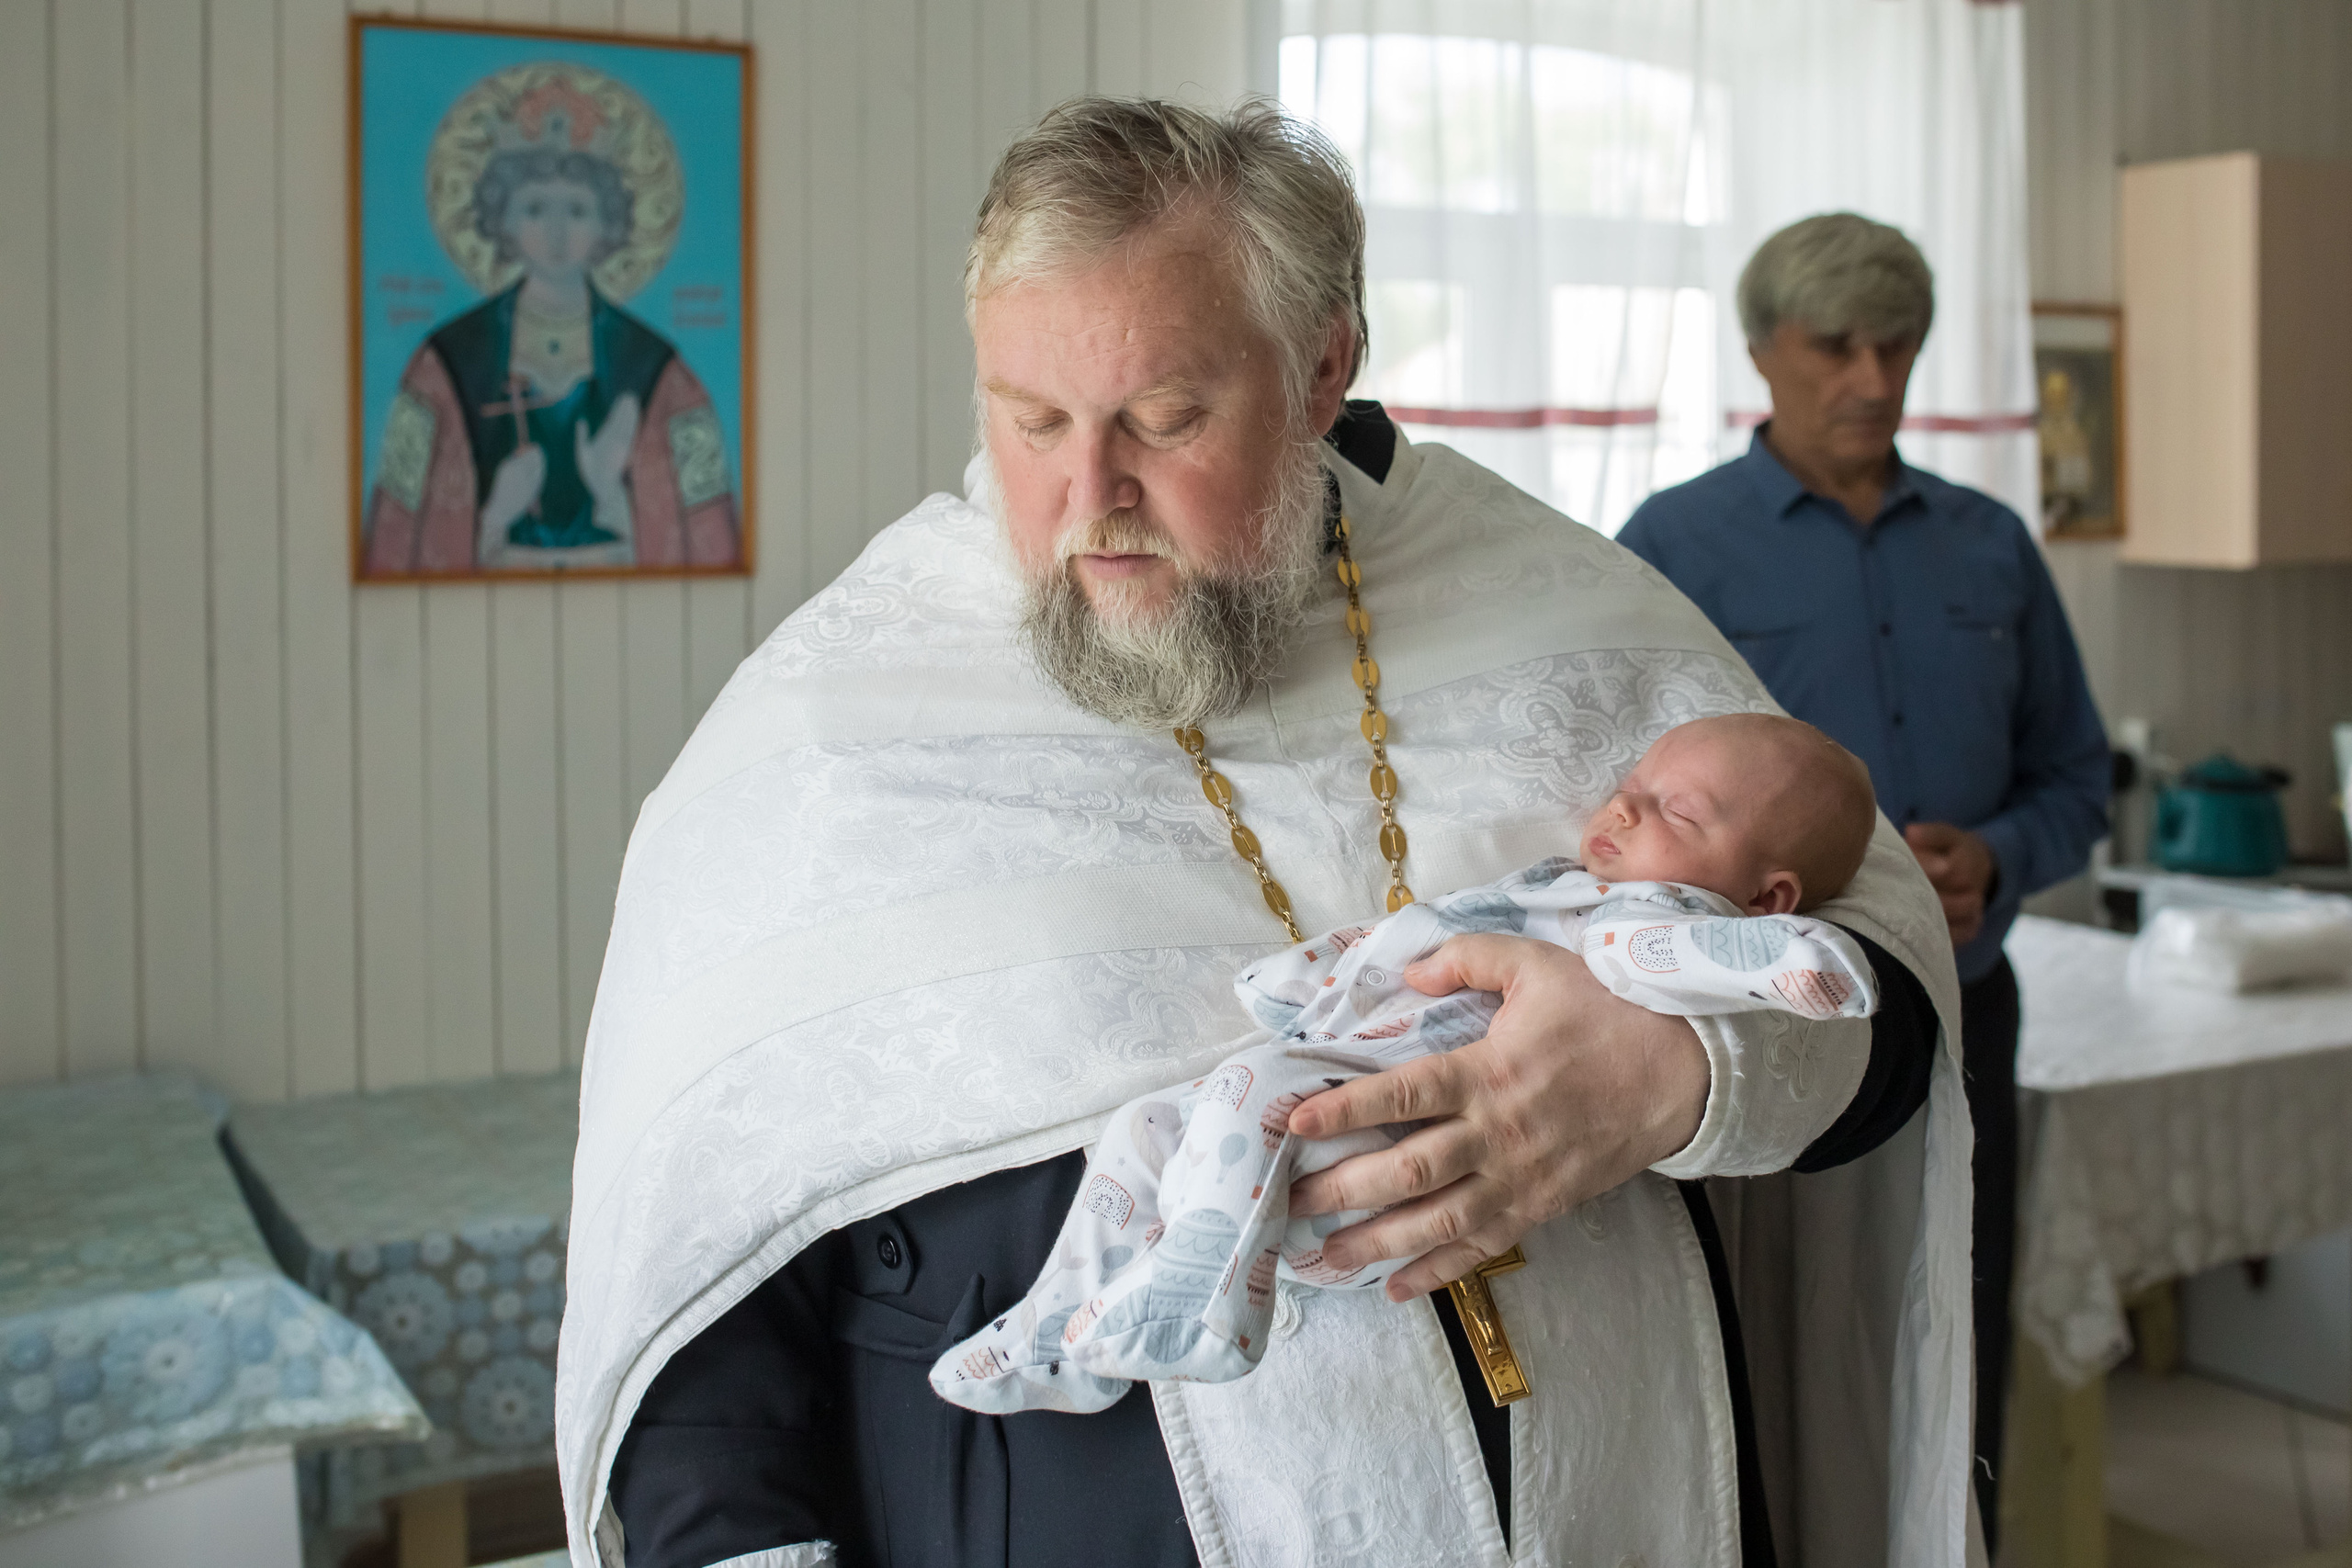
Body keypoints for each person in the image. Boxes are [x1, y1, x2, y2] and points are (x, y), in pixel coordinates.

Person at [558, 104, 1972, 1568]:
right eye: (1031, 418)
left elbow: (1883, 997)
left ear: (1321, 370)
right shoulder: (826, 731)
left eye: (1164, 419)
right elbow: (696, 1276)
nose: (1086, 498)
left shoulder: (1563, 613)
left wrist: (1679, 1069)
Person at [933, 714, 1883, 1414]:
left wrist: (1784, 959)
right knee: (1141, 1130)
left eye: (1673, 807)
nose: (1623, 806)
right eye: (1631, 784)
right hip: (1339, 1110)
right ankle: (1064, 1333)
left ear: (1765, 895)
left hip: (1382, 1145)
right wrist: (1314, 976)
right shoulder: (1565, 888)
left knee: (1245, 1091)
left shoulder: (1656, 917)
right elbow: (1425, 931)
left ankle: (1204, 1296)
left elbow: (1662, 961)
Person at [1617, 211, 2111, 1546]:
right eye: (1836, 345)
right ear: (1764, 353)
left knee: (1948, 1306)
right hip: (1747, 1035)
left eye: (1898, 346)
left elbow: (2079, 774)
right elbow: (1617, 808)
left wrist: (2000, 854)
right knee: (1760, 1345)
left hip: (1960, 1010)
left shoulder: (1994, 545)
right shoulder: (1673, 545)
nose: (1874, 378)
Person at [361, 76, 741, 575]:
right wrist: (496, 512)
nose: (558, 233)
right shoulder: (445, 362)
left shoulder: (659, 370)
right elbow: (398, 516)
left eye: (578, 210)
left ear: (610, 224)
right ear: (503, 220)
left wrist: (611, 494)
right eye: (536, 208)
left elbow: (706, 516)